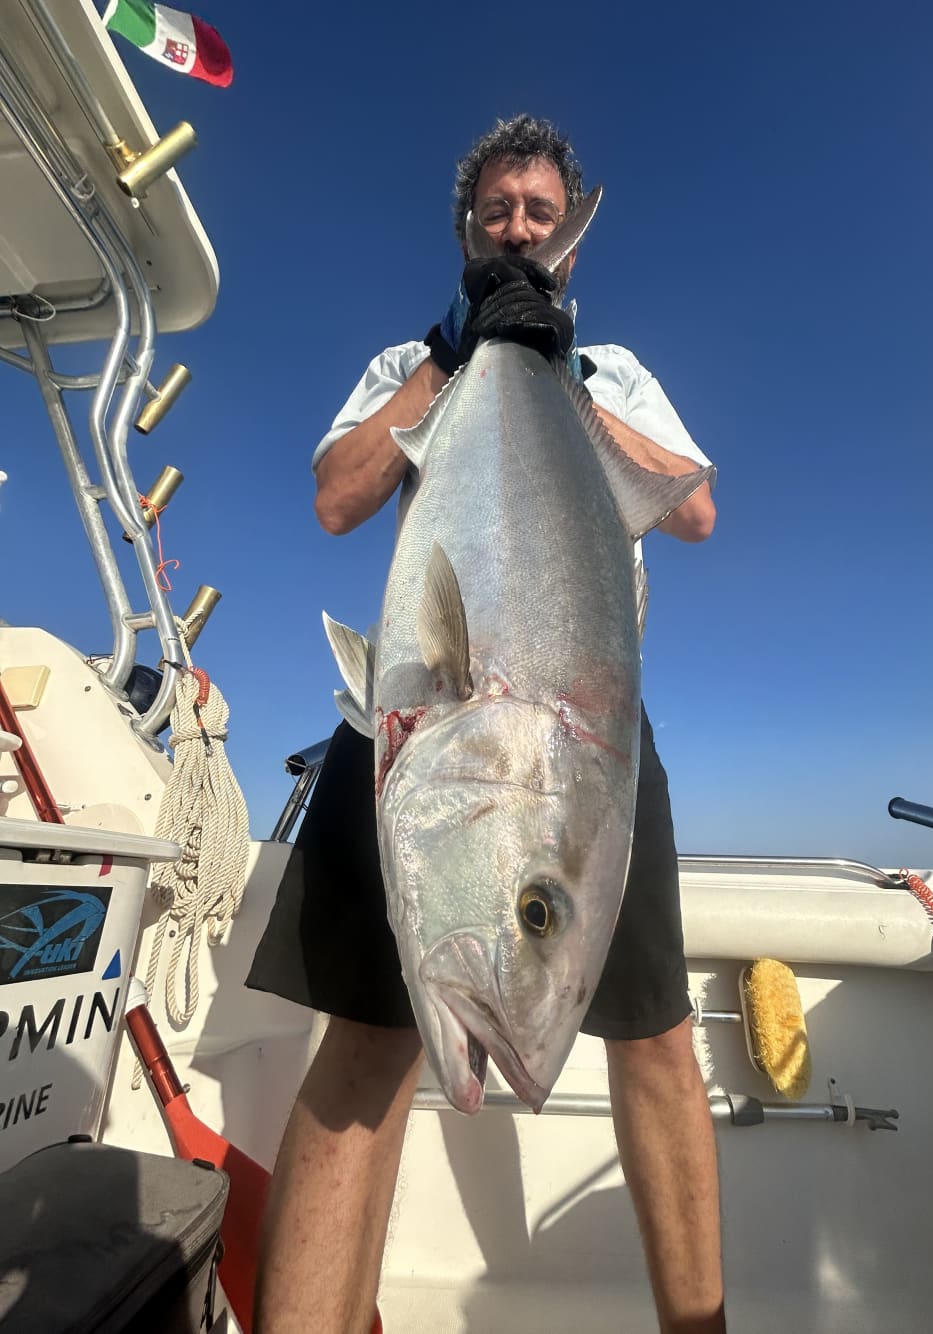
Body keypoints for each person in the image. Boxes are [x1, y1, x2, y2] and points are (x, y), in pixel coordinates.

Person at [248, 114, 724, 1334]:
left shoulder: (610, 368)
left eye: (540, 215)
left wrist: (551, 361)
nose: (519, 227)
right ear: (465, 230)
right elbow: (337, 496)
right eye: (499, 212)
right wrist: (456, 348)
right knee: (364, 1046)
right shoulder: (410, 363)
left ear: (571, 238)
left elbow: (694, 506)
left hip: (586, 745)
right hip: (415, 717)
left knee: (658, 1042)